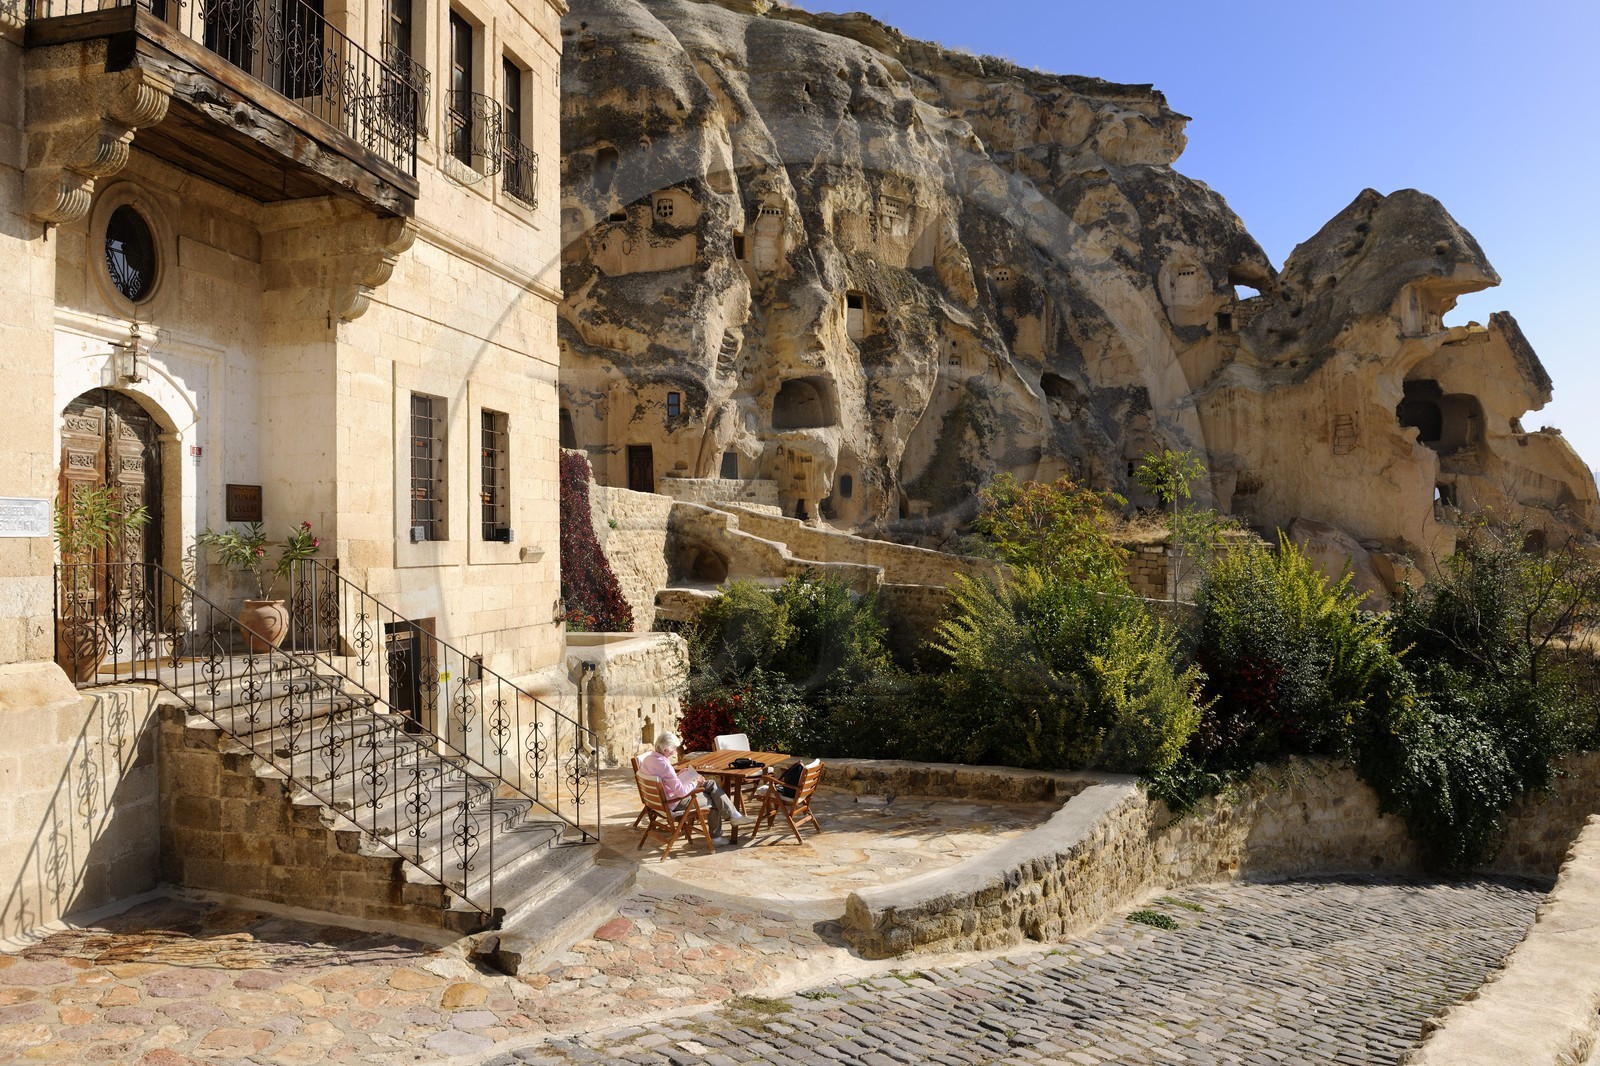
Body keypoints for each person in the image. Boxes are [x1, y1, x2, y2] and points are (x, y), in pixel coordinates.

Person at [638, 731, 752, 838]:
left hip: (657, 802)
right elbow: (681, 792)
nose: (674, 751)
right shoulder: (664, 765)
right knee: (714, 799)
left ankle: (734, 815)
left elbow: (664, 778)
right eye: (674, 749)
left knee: (711, 784)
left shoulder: (648, 759)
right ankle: (717, 837)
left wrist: (678, 775)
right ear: (666, 749)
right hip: (673, 803)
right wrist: (695, 782)